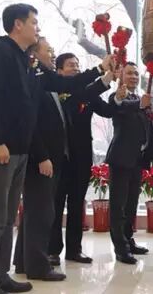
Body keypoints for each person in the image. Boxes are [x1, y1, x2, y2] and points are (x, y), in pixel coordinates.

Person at [0, 3, 114, 294]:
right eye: (34, 22)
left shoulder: (28, 63)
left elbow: (64, 83)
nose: (37, 28)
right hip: (0, 148)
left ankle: (1, 275)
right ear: (18, 24)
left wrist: (100, 69)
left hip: (20, 150)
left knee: (7, 218)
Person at [12, 39, 113, 281]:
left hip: (69, 156)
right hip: (45, 158)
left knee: (44, 210)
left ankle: (27, 262)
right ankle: (41, 258)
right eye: (49, 51)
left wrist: (104, 74)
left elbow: (85, 92)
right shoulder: (38, 81)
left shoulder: (46, 81)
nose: (52, 53)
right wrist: (42, 156)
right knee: (43, 211)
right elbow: (33, 123)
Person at [48, 53, 115, 266]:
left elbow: (107, 111)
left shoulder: (87, 91)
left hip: (82, 157)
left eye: (77, 64)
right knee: (56, 204)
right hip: (60, 158)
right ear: (59, 71)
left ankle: (74, 249)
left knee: (77, 204)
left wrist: (119, 97)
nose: (76, 68)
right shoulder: (57, 89)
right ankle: (52, 250)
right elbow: (78, 96)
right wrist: (104, 79)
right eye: (71, 65)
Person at [105, 62, 153, 264]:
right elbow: (118, 106)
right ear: (121, 75)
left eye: (136, 73)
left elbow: (147, 128)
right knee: (118, 206)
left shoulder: (138, 98)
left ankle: (128, 239)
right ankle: (120, 248)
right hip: (120, 159)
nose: (134, 77)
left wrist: (152, 154)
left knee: (131, 204)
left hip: (137, 159)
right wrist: (140, 105)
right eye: (129, 73)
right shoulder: (117, 98)